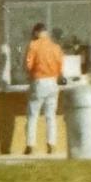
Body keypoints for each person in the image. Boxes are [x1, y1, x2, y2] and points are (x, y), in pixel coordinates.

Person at [24, 21, 64, 155]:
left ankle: (31, 145)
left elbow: (28, 66)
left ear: (36, 32)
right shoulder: (56, 47)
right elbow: (60, 67)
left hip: (39, 81)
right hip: (53, 82)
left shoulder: (33, 45)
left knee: (33, 115)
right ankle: (51, 145)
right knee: (51, 116)